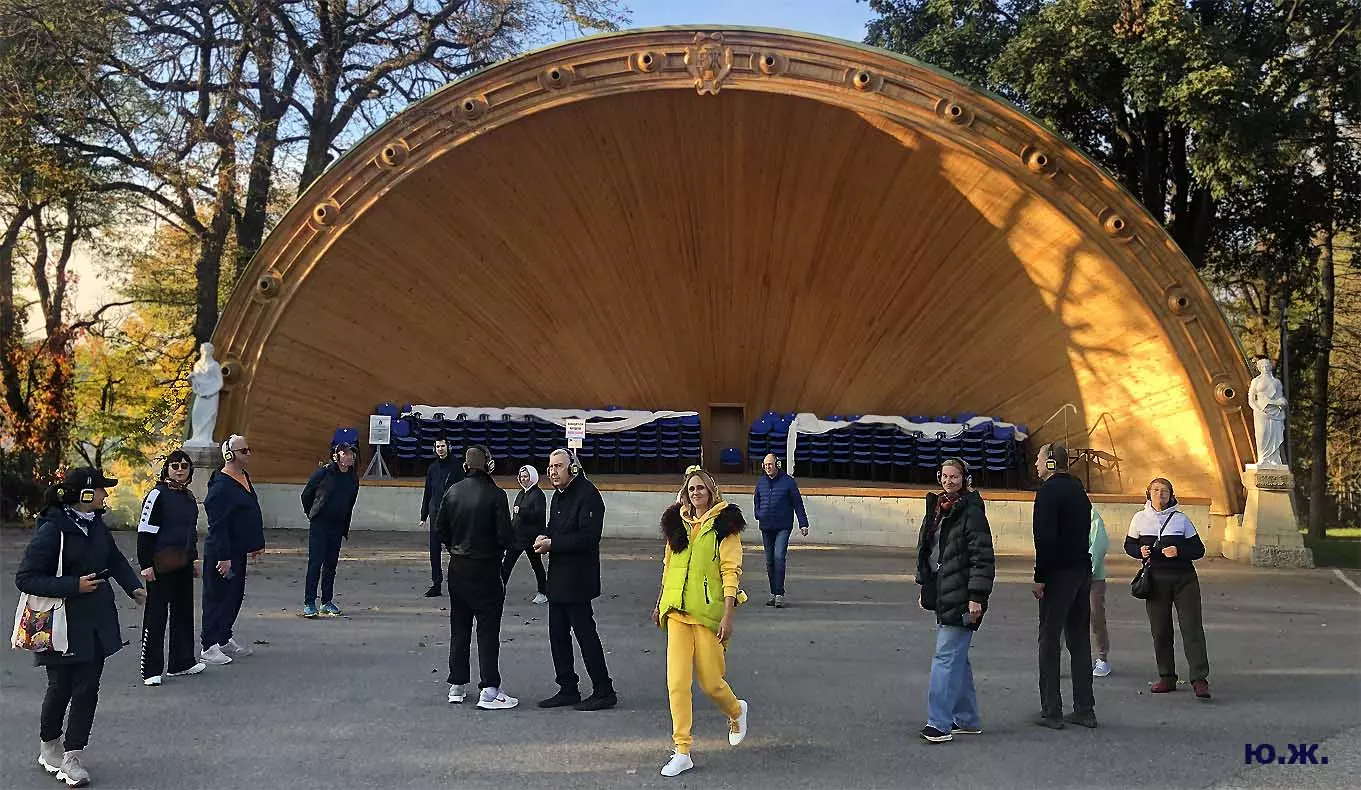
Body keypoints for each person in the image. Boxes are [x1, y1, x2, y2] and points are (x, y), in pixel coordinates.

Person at [16, 468, 146, 787]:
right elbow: (26, 578)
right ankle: (50, 746)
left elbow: (114, 559)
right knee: (60, 688)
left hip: (97, 622)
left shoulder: (96, 525)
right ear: (85, 494)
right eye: (101, 489)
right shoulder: (53, 529)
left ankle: (72, 756)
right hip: (61, 624)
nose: (106, 494)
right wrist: (73, 585)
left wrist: (134, 587)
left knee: (87, 688)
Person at [653, 468, 750, 777]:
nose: (696, 493)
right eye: (691, 489)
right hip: (677, 613)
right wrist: (660, 602)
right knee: (677, 683)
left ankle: (736, 710)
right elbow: (669, 566)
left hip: (708, 614)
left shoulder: (725, 526)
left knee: (711, 683)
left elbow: (730, 571)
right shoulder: (676, 524)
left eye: (701, 488)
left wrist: (728, 615)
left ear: (711, 492)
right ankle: (682, 750)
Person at [914, 458, 994, 743]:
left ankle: (938, 723)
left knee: (945, 657)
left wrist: (976, 597)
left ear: (965, 480)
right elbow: (927, 551)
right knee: (957, 658)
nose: (949, 482)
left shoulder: (971, 512)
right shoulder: (937, 509)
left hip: (962, 595)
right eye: (945, 476)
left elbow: (983, 558)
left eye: (955, 477)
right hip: (944, 591)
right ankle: (968, 719)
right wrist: (925, 587)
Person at [434, 445, 518, 709]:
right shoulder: (496, 495)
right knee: (488, 629)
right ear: (489, 466)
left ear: (465, 466)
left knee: (459, 627)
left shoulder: (453, 491)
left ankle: (457, 685)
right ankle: (489, 688)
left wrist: (455, 546)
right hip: (486, 568)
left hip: (458, 567)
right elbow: (505, 536)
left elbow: (440, 529)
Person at [534, 448, 617, 711]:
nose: (552, 471)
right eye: (550, 467)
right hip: (558, 579)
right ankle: (567, 688)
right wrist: (544, 535)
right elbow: (555, 529)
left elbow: (588, 538)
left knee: (585, 636)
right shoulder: (558, 496)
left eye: (558, 466)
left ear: (573, 468)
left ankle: (604, 690)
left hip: (578, 580)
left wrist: (553, 544)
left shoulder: (588, 495)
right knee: (557, 636)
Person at [1125, 477, 1212, 699]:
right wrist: (1139, 551)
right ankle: (1166, 676)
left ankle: (1199, 679)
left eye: (1164, 490)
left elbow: (1198, 549)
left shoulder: (1181, 520)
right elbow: (1129, 545)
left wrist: (1179, 551)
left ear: (1171, 495)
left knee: (1192, 628)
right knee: (1161, 630)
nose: (1160, 494)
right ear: (1148, 494)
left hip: (1184, 579)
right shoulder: (1139, 518)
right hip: (1155, 580)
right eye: (1155, 490)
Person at [1031, 442, 1098, 729]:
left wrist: (1040, 576)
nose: (1035, 464)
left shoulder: (1048, 492)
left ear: (1049, 462)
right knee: (1079, 641)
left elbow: (1044, 538)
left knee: (1049, 640)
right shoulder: (1078, 490)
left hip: (1058, 574)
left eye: (1039, 459)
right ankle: (1085, 708)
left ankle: (1052, 710)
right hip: (1081, 571)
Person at [137, 450, 207, 686]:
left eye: (184, 466)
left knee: (183, 613)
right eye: (175, 465)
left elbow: (191, 533)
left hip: (183, 563)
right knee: (156, 615)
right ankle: (150, 669)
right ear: (167, 468)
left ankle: (182, 662)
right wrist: (145, 564)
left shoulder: (188, 497)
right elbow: (145, 531)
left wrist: (193, 560)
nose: (179, 470)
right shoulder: (157, 495)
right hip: (160, 563)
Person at [201, 434, 266, 665]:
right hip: (223, 552)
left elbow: (250, 511)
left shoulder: (243, 476)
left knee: (234, 596)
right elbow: (217, 525)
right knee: (216, 598)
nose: (249, 454)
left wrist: (255, 543)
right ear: (229, 455)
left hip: (238, 550)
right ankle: (209, 645)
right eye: (243, 451)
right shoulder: (221, 486)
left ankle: (223, 637)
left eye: (249, 449)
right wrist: (223, 556)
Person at [300, 442, 361, 618]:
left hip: (337, 525)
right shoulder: (324, 473)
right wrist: (313, 514)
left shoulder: (353, 477)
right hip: (320, 524)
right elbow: (306, 495)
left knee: (331, 565)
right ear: (336, 456)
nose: (349, 457)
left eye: (351, 454)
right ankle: (309, 602)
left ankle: (326, 601)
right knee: (315, 563)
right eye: (345, 454)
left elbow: (350, 501)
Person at [753, 453, 809, 608]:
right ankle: (773, 592)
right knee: (769, 561)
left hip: (783, 526)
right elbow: (757, 500)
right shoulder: (761, 482)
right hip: (766, 526)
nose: (767, 468)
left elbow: (797, 503)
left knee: (779, 557)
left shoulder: (788, 482)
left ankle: (779, 593)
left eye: (770, 464)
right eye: (765, 465)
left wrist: (803, 523)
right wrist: (758, 514)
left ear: (777, 465)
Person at [420, 438, 463, 597]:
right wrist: (423, 515)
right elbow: (428, 492)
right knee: (434, 550)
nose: (440, 449)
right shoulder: (432, 468)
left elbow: (462, 489)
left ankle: (459, 582)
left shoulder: (457, 466)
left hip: (452, 514)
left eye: (443, 446)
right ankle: (436, 584)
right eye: (438, 446)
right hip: (435, 514)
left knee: (455, 549)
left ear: (448, 447)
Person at [502, 464, 548, 604]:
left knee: (537, 566)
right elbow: (515, 517)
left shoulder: (538, 495)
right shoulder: (521, 493)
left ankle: (543, 592)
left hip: (531, 538)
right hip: (517, 537)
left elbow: (538, 515)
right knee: (506, 565)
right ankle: (498, 591)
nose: (523, 479)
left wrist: (522, 511)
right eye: (521, 476)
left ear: (532, 477)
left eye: (526, 476)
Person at [1089, 507, 1112, 677]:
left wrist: (1088, 569)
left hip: (1092, 576)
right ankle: (1054, 659)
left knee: (1095, 615)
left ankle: (1102, 658)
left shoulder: (1090, 512)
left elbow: (1099, 543)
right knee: (1060, 618)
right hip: (1064, 575)